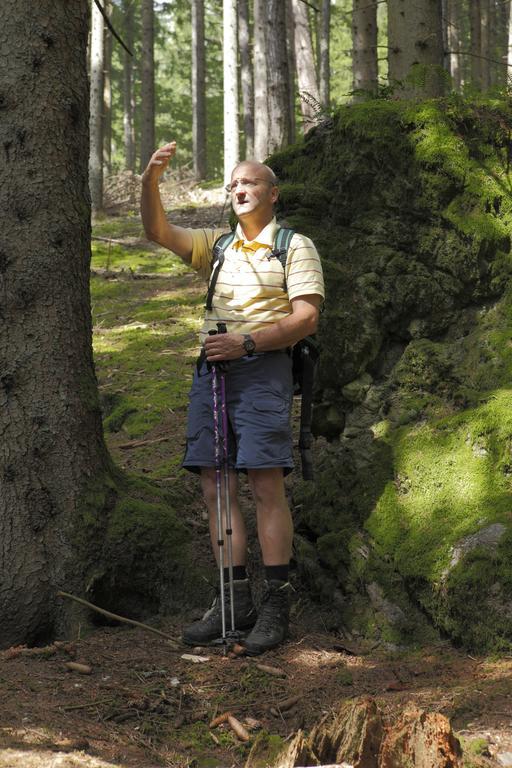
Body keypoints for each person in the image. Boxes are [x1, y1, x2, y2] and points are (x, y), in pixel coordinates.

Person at [141, 141, 324, 655]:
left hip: (263, 372)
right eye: (233, 185)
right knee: (215, 487)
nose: (238, 189)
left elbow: (306, 317)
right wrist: (151, 181)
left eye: (248, 182)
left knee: (265, 485)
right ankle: (233, 600)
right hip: (212, 375)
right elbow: (156, 232)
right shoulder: (217, 246)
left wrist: (247, 341)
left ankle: (276, 605)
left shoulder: (294, 245)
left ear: (272, 192)